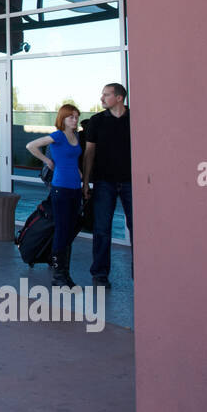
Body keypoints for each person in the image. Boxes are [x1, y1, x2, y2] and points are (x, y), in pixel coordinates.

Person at [26, 105, 85, 287]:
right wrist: (47, 161)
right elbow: (31, 145)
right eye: (70, 117)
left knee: (70, 230)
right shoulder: (58, 135)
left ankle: (65, 273)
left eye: (76, 117)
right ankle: (58, 275)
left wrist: (79, 173)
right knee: (62, 229)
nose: (74, 120)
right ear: (62, 119)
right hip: (61, 189)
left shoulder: (76, 136)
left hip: (75, 187)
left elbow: (72, 158)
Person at [81, 83, 132, 288]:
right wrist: (86, 182)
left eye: (106, 95)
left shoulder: (135, 119)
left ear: (119, 98)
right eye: (102, 95)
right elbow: (89, 153)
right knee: (101, 229)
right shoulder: (96, 121)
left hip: (131, 183)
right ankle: (100, 274)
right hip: (103, 183)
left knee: (137, 228)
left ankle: (142, 271)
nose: (102, 98)